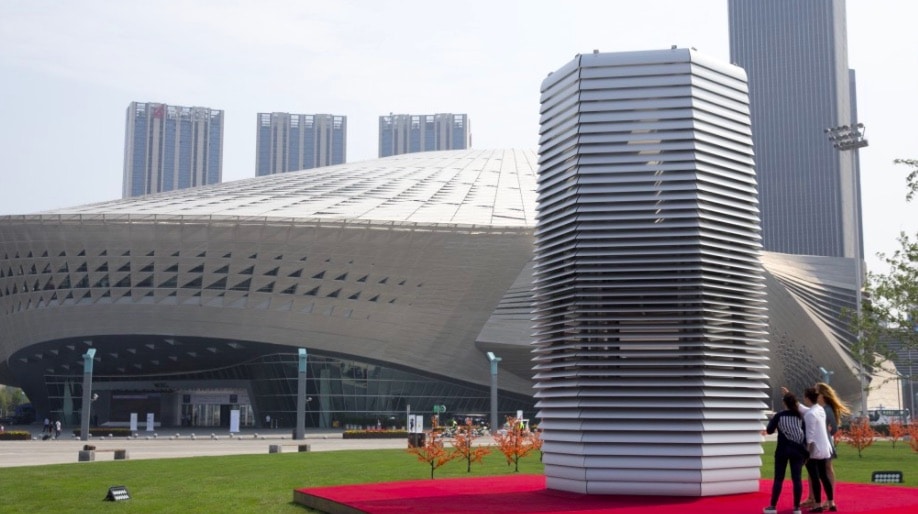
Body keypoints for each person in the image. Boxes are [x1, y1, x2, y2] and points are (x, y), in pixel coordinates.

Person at [763, 393, 809, 514]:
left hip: (782, 450)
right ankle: (796, 508)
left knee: (778, 478)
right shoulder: (800, 416)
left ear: (784, 403)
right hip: (798, 450)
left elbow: (769, 430)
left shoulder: (779, 416)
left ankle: (772, 506)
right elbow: (804, 434)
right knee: (797, 479)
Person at [801, 388, 836, 512]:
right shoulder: (820, 409)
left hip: (814, 450)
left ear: (807, 398)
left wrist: (806, 454)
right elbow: (805, 409)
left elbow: (809, 437)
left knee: (814, 477)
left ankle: (817, 504)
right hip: (824, 448)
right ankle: (831, 502)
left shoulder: (810, 414)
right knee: (824, 476)